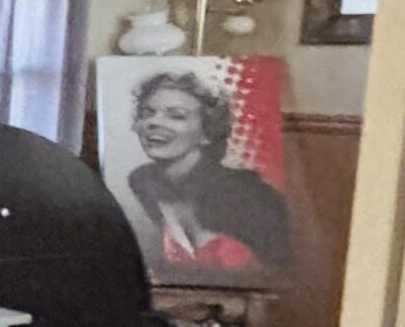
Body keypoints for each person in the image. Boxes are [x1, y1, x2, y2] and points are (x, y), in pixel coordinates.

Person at [124, 68, 293, 276]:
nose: (154, 122)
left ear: (207, 131)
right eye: (146, 113)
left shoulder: (249, 194)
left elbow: (279, 273)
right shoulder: (140, 182)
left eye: (176, 116)